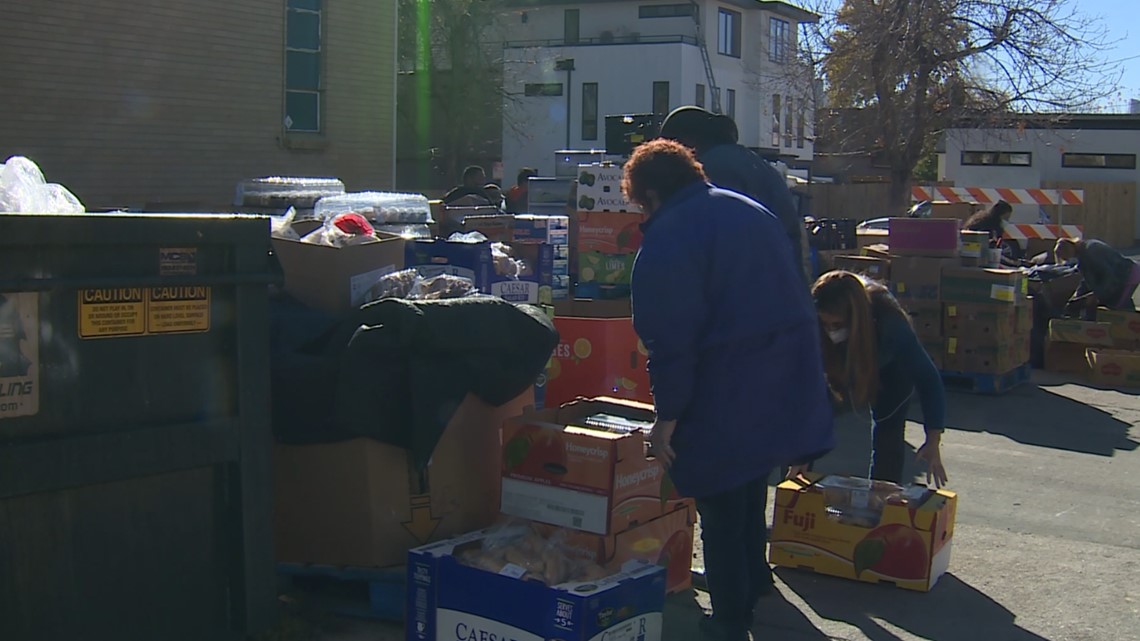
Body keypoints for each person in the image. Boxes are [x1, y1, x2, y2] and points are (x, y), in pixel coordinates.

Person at [625, 139, 835, 641]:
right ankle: (752, 582)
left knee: (719, 503)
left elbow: (670, 339)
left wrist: (667, 417)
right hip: (781, 374)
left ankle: (729, 621)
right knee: (747, 487)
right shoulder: (750, 210)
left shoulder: (671, 235)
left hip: (725, 381)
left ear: (651, 193)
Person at [805, 271, 948, 488]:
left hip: (890, 370)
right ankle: (798, 493)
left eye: (837, 325)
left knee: (888, 438)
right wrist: (802, 451)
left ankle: (881, 504)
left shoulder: (890, 324)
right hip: (841, 364)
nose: (831, 331)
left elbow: (928, 379)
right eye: (825, 324)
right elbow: (806, 391)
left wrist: (933, 440)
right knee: (806, 433)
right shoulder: (813, 324)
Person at [658, 106, 807, 282]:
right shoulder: (755, 163)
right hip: (784, 279)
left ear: (686, 143)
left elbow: (717, 243)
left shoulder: (712, 169)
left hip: (752, 285)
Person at [1055, 237, 1140, 317]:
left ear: (1069, 249)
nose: (1070, 259)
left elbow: (1109, 276)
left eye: (1067, 257)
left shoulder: (1092, 250)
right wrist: (1077, 297)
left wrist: (1097, 295)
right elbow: (1086, 281)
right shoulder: (1082, 255)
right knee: (1114, 303)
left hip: (1127, 275)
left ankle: (1130, 327)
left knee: (1117, 307)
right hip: (1118, 277)